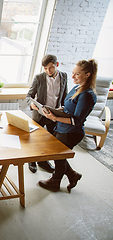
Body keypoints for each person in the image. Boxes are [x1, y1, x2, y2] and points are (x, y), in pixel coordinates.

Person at [38, 59, 98, 192]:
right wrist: (54, 110)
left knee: (58, 156)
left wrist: (55, 117)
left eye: (77, 74)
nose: (72, 76)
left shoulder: (87, 95)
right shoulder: (77, 88)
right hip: (62, 128)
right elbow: (67, 108)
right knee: (59, 155)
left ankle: (55, 181)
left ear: (88, 74)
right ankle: (72, 174)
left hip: (72, 132)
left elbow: (77, 120)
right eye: (73, 73)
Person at [26, 54, 68, 173]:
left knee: (50, 140)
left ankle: (43, 161)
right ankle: (32, 160)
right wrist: (31, 104)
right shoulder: (39, 77)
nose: (48, 71)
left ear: (57, 65)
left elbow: (65, 95)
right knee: (34, 139)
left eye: (51, 67)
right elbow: (29, 96)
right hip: (39, 114)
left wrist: (64, 109)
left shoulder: (64, 76)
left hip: (54, 114)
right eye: (45, 68)